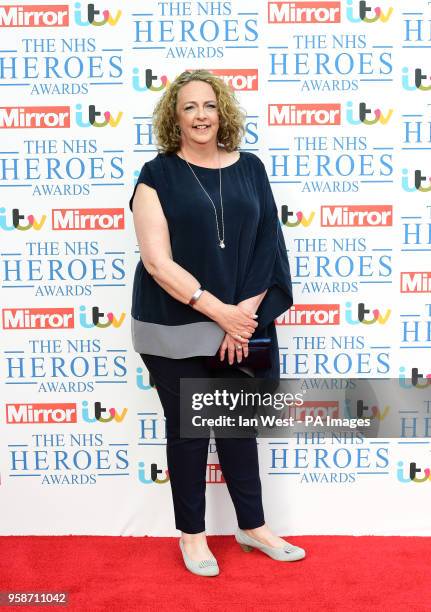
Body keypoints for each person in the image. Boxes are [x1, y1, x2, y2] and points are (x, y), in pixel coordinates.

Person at [129, 69, 305, 576]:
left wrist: (240, 319)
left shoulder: (251, 168)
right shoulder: (156, 176)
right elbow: (158, 263)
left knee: (236, 428)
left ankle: (252, 526)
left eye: (208, 105)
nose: (200, 115)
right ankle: (192, 536)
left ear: (221, 111)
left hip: (241, 323)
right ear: (174, 117)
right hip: (173, 326)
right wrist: (219, 313)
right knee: (188, 431)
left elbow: (269, 247)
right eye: (188, 107)